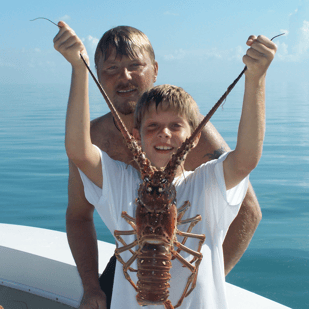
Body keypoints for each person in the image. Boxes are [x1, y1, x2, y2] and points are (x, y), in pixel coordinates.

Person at [53, 22, 270, 308]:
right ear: (135, 136)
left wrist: (206, 277)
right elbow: (79, 208)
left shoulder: (194, 131)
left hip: (184, 261)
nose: (125, 76)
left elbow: (246, 184)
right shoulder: (98, 144)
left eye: (134, 65)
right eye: (111, 69)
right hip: (134, 258)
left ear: (154, 69)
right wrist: (93, 287)